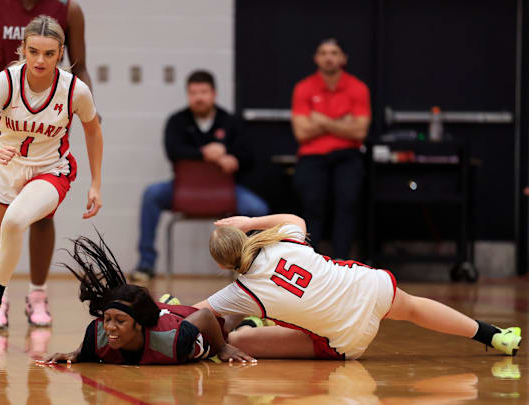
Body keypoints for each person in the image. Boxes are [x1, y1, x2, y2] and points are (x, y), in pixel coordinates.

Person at [0, 15, 103, 348]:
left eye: (49, 53)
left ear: (61, 53)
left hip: (50, 172)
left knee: (16, 220)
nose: (40, 60)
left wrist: (95, 183)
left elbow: (93, 130)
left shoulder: (75, 90)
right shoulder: (4, 82)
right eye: (33, 52)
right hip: (5, 170)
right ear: (22, 50)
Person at [194, 214, 522, 360]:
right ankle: (493, 335)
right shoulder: (283, 242)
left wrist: (167, 303)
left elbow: (197, 314)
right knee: (416, 308)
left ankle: (253, 321)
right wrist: (250, 222)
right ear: (245, 236)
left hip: (346, 338)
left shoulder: (239, 292)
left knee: (239, 339)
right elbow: (294, 219)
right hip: (367, 288)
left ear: (222, 265)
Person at [131, 70, 270, 281]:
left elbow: (248, 157)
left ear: (213, 94)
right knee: (151, 194)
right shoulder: (177, 121)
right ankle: (146, 264)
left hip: (226, 191)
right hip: (183, 190)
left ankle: (255, 267)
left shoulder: (230, 121)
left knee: (258, 210)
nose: (199, 97)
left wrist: (232, 158)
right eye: (193, 92)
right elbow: (173, 151)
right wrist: (208, 153)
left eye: (203, 92)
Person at [39, 232, 255, 365]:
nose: (110, 328)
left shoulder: (172, 340)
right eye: (108, 319)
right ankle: (168, 304)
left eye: (120, 321)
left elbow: (206, 316)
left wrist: (223, 346)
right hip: (163, 315)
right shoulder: (98, 335)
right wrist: (75, 354)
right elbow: (85, 350)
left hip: (191, 324)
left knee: (229, 326)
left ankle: (252, 302)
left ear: (139, 325)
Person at [291, 38, 370, 259]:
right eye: (323, 52)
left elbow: (359, 132)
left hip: (348, 156)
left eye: (334, 53)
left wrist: (321, 121)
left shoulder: (358, 88)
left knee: (348, 204)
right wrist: (342, 122)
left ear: (343, 58)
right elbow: (302, 133)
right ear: (316, 58)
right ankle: (310, 263)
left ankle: (343, 262)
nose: (328, 57)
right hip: (312, 157)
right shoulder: (303, 88)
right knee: (312, 207)